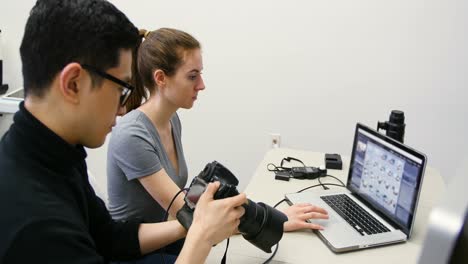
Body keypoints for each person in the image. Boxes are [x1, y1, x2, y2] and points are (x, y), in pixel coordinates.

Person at [0, 1, 246, 264]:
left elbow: (109, 238)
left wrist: (195, 223)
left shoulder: (53, 154)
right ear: (73, 84)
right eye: (122, 89)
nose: (122, 109)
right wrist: (202, 234)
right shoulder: (36, 225)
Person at [107, 27, 329, 260]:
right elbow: (188, 216)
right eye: (192, 76)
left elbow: (192, 211)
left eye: (200, 74)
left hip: (169, 238)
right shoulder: (132, 136)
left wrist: (265, 217)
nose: (201, 85)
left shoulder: (172, 119)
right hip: (137, 254)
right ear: (161, 78)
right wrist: (273, 220)